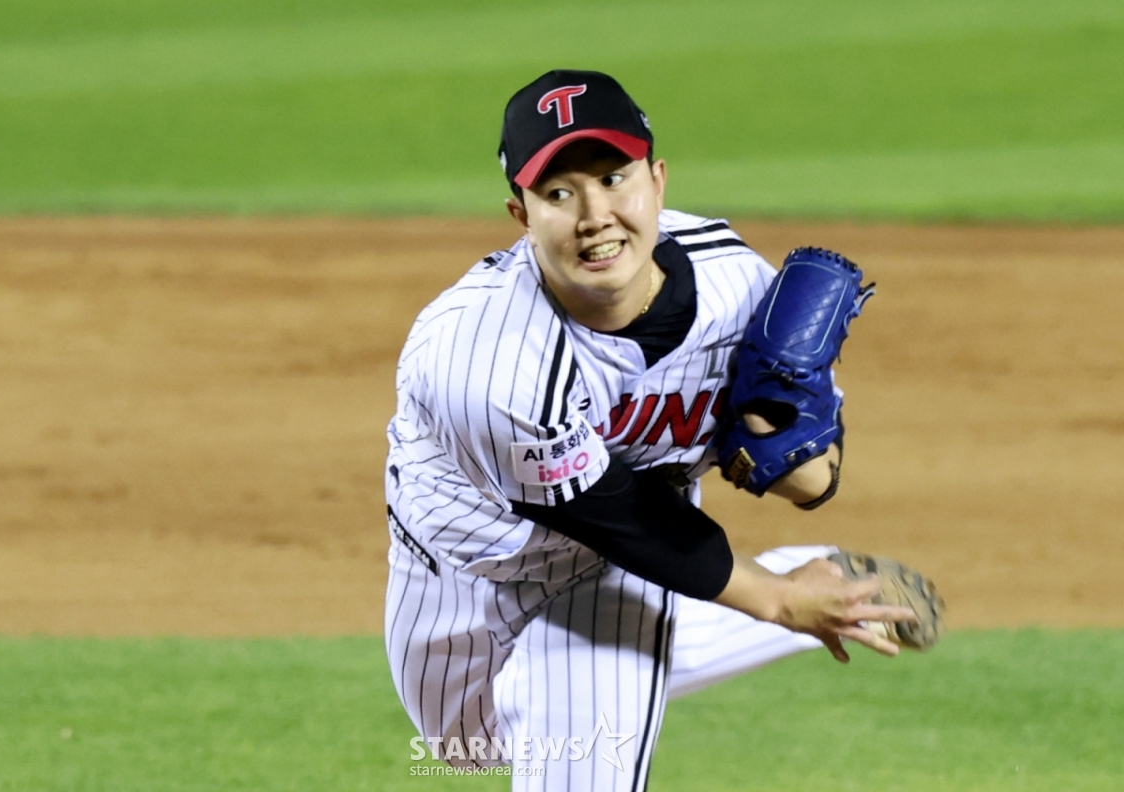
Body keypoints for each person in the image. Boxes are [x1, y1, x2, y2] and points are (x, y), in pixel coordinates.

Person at [384, 69, 919, 790]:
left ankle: (768, 591)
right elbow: (615, 513)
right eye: (559, 193)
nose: (595, 215)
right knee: (467, 746)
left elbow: (806, 472)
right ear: (521, 215)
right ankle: (802, 574)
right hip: (467, 566)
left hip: (621, 571)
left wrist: (792, 446)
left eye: (613, 177)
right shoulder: (482, 356)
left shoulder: (737, 287)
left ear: (658, 181)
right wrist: (783, 600)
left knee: (577, 755)